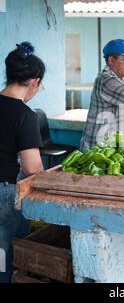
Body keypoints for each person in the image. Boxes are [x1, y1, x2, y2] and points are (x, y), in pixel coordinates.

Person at [0, 42, 45, 283]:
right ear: (35, 81)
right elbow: (32, 168)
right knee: (3, 258)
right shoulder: (25, 115)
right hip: (4, 196)